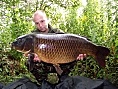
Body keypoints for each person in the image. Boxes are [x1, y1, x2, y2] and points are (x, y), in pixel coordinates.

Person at [25, 10, 86, 84]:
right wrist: (33, 56)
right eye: (37, 23)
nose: (40, 25)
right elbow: (28, 53)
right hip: (45, 64)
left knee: (76, 61)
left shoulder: (58, 32)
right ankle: (42, 81)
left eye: (42, 21)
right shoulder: (32, 37)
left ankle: (64, 78)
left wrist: (80, 54)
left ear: (47, 19)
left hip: (61, 61)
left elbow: (70, 45)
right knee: (28, 62)